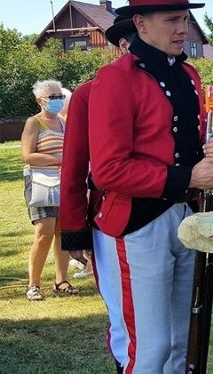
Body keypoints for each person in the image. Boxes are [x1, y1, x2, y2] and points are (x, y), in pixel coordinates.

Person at [87, 0, 213, 372]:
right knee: (149, 348)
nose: (183, 28)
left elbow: (186, 149)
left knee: (179, 342)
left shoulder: (189, 77)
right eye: (172, 19)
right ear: (142, 24)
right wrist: (188, 177)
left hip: (182, 217)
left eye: (185, 18)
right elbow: (109, 169)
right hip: (136, 223)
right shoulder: (115, 79)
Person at [60, 16, 137, 286]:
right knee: (123, 318)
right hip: (115, 211)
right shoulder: (88, 93)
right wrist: (74, 229)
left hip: (175, 212)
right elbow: (74, 164)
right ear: (125, 44)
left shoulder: (177, 85)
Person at [21, 79, 78, 301]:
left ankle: (61, 280)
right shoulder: (33, 123)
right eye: (52, 97)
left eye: (60, 96)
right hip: (41, 184)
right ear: (40, 100)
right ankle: (33, 284)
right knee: (44, 233)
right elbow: (27, 155)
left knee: (63, 232)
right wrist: (59, 160)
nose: (58, 100)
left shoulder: (64, 122)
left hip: (63, 183)